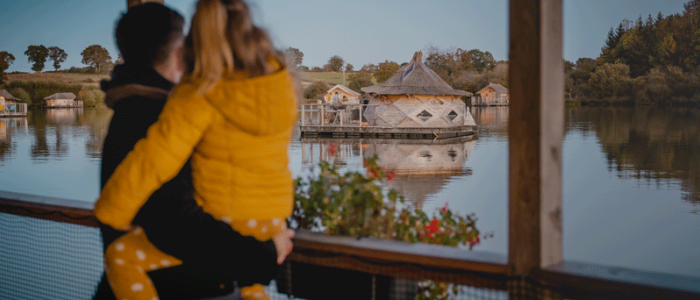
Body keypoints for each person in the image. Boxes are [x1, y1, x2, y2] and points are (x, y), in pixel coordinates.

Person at [93, 1, 298, 300]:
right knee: (253, 288)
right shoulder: (280, 87)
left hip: (217, 246)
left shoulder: (184, 100)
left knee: (120, 256)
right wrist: (263, 254)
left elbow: (154, 166)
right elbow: (177, 221)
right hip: (267, 224)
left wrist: (110, 211)